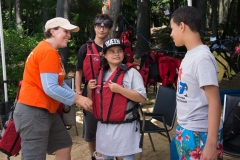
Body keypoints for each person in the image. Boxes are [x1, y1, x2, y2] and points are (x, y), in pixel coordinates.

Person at [13, 17, 93, 160]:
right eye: (66, 31)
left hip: (45, 111)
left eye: (69, 32)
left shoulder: (50, 52)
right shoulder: (47, 52)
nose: (69, 35)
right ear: (52, 31)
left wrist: (78, 98)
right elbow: (50, 87)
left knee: (63, 145)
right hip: (33, 112)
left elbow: (59, 84)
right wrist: (77, 98)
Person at [170, 6, 223, 160]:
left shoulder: (202, 58)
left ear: (182, 26)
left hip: (201, 134)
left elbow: (214, 101)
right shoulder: (191, 55)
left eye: (172, 28)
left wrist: (211, 144)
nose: (171, 34)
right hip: (187, 130)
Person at [87, 38, 146, 160]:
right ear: (104, 55)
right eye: (112, 51)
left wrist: (121, 90)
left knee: (123, 157)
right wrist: (89, 89)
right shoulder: (100, 74)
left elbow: (142, 98)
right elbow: (93, 105)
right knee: (104, 156)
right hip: (104, 128)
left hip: (125, 127)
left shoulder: (132, 73)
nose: (116, 54)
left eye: (119, 51)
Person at [75, 14, 113, 158]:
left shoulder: (113, 48)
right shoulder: (85, 48)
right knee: (91, 130)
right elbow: (78, 72)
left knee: (109, 128)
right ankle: (94, 156)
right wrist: (78, 93)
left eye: (105, 26)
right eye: (99, 25)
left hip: (109, 96)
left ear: (110, 29)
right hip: (89, 96)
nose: (102, 29)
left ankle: (109, 155)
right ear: (94, 27)